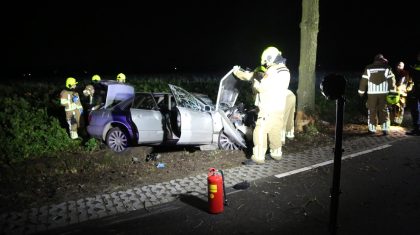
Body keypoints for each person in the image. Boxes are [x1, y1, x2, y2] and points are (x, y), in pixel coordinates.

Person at [233, 46, 290, 165]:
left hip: (268, 108)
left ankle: (258, 157)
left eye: (266, 62)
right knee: (275, 130)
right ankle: (276, 153)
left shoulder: (272, 70)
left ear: (269, 58)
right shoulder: (285, 70)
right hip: (279, 108)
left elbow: (262, 87)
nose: (266, 64)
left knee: (260, 130)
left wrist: (255, 81)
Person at [358, 54, 396, 135]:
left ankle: (372, 129)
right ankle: (385, 129)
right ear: (382, 60)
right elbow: (391, 81)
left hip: (372, 94)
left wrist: (361, 92)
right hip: (384, 93)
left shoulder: (368, 68)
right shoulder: (387, 67)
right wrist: (392, 92)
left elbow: (363, 80)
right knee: (384, 110)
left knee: (372, 110)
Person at [406, 51, 420, 135]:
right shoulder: (416, 64)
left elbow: (416, 73)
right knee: (415, 109)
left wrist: (413, 70)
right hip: (416, 89)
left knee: (416, 109)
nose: (418, 57)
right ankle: (416, 128)